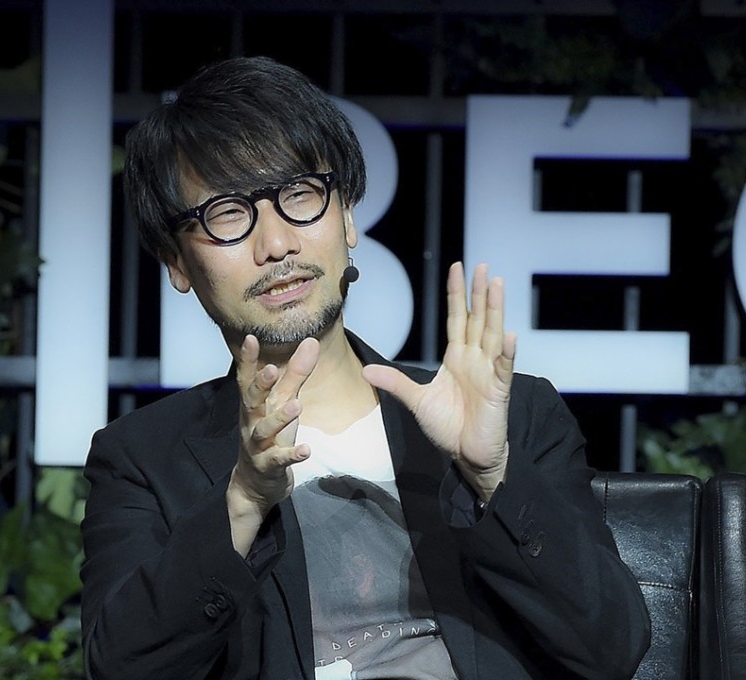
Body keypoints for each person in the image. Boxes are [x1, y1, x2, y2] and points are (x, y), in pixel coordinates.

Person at [80, 55, 651, 680]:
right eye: (227, 213)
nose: (277, 244)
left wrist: (491, 475)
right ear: (177, 263)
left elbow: (611, 649)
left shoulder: (513, 415)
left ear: (347, 215)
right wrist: (242, 503)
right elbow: (122, 669)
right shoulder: (142, 459)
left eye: (300, 195)